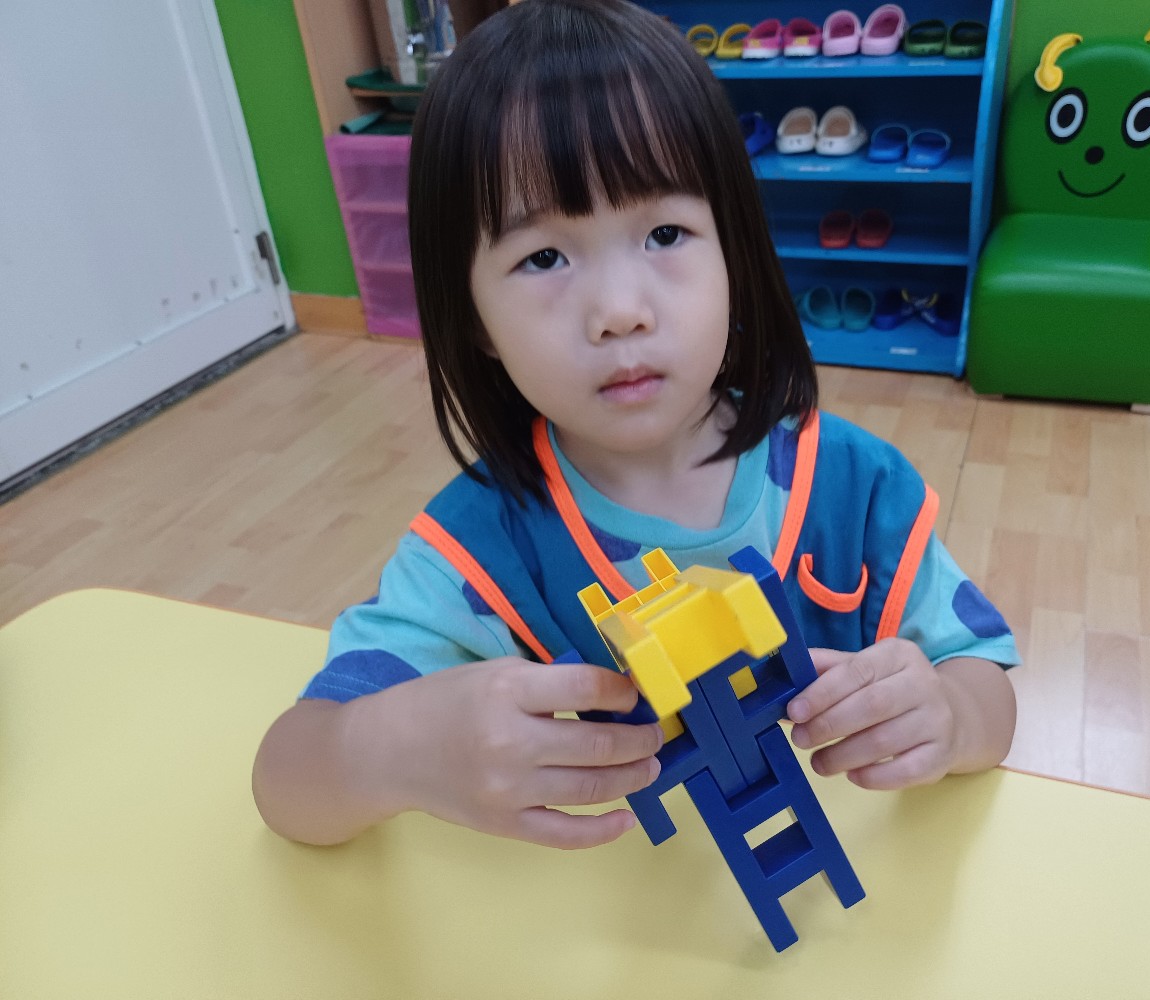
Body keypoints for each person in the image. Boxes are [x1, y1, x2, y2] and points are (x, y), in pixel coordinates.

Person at [252, 0, 1019, 850]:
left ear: (733, 250)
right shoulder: (477, 552)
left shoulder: (854, 489)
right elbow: (288, 781)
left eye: (664, 232)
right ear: (472, 318)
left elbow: (987, 690)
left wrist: (948, 715)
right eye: (543, 256)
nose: (619, 310)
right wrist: (396, 747)